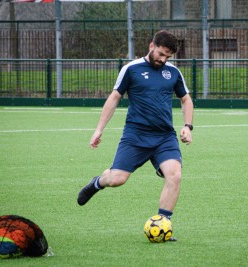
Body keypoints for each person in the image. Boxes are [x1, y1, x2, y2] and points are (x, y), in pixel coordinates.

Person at [77, 30, 194, 236]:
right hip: (136, 135)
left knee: (174, 175)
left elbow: (186, 99)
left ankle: (163, 224)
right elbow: (114, 98)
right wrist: (98, 130)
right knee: (117, 180)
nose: (163, 59)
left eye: (168, 56)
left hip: (164, 137)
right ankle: (98, 182)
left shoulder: (173, 72)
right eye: (161, 53)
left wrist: (187, 126)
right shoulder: (131, 69)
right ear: (151, 46)